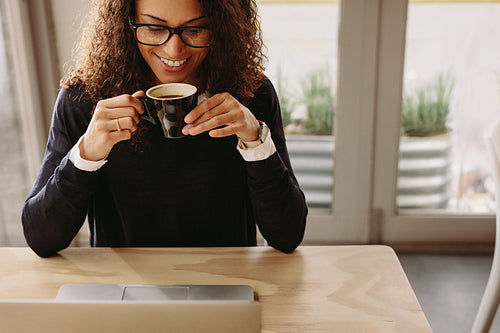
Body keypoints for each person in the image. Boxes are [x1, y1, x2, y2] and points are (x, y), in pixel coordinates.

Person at [22, 0, 307, 257]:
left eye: (196, 30)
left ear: (221, 27)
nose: (174, 50)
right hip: (123, 290)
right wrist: (86, 154)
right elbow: (42, 238)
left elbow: (288, 235)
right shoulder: (84, 100)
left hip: (226, 283)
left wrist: (256, 141)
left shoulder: (252, 95)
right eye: (154, 28)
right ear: (126, 22)